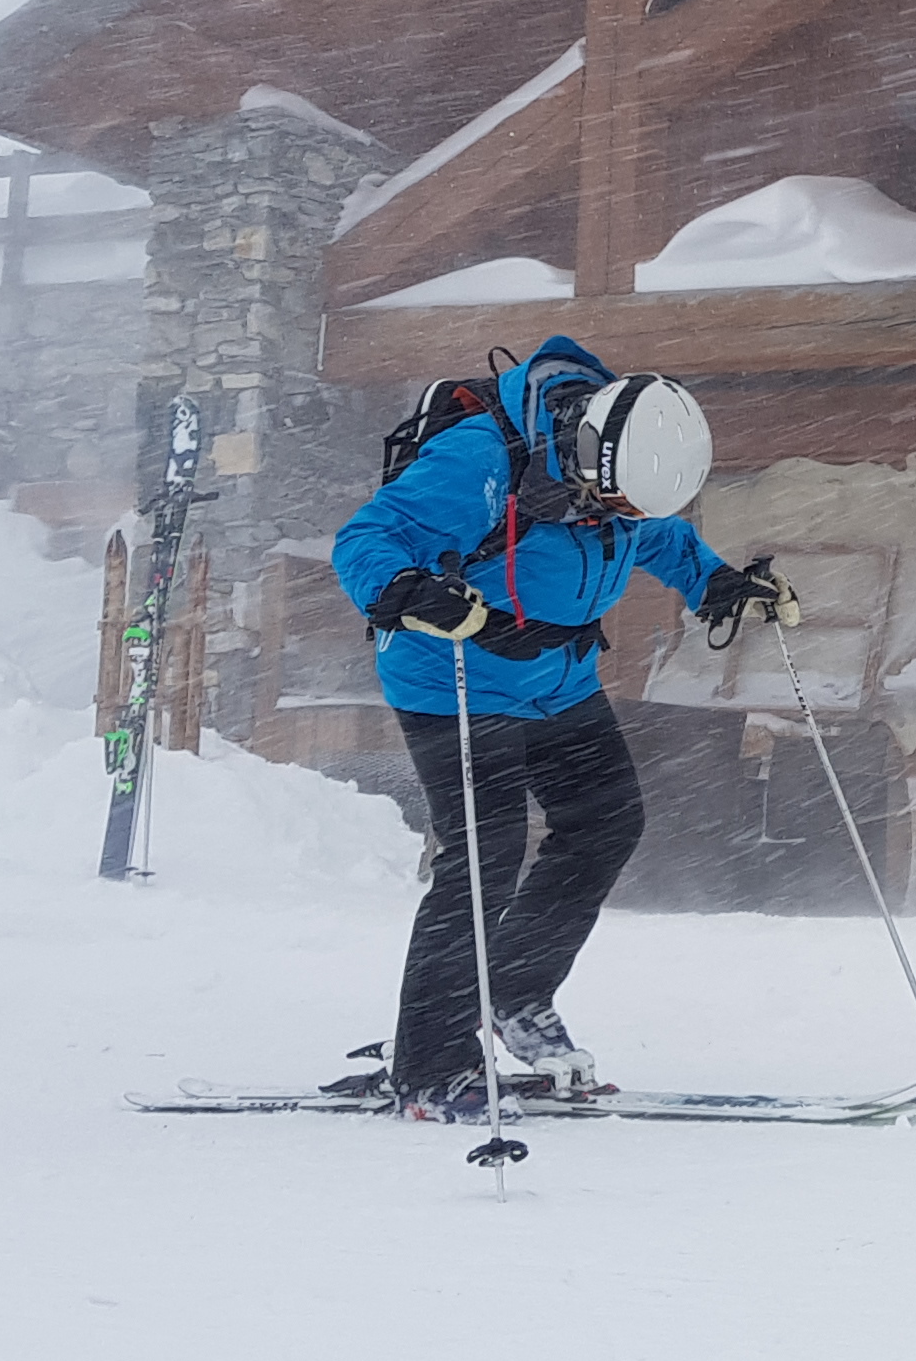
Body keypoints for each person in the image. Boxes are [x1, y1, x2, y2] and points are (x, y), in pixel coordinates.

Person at [332, 335, 789, 1117]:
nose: (625, 517)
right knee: (485, 854)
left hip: (558, 679)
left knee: (605, 822)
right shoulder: (481, 461)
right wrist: (407, 591)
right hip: (453, 678)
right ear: (586, 456)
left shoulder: (623, 469)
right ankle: (431, 1063)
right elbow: (366, 539)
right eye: (618, 503)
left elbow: (659, 534)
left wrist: (716, 584)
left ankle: (514, 991)